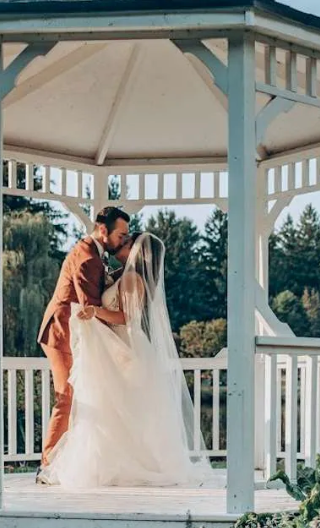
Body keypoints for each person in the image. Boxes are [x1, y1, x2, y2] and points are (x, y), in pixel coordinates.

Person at [38, 232, 215, 488]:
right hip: (116, 348)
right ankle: (114, 463)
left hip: (125, 349)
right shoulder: (126, 275)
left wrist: (96, 311)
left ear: (138, 252)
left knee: (118, 408)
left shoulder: (132, 279)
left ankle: (127, 466)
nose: (124, 242)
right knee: (117, 410)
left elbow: (127, 317)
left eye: (129, 241)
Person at [37, 206, 130, 472]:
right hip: (61, 333)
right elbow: (90, 306)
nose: (123, 240)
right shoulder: (88, 258)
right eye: (121, 235)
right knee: (66, 396)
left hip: (72, 332)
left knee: (79, 396)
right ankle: (47, 465)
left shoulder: (93, 253)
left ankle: (70, 460)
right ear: (103, 230)